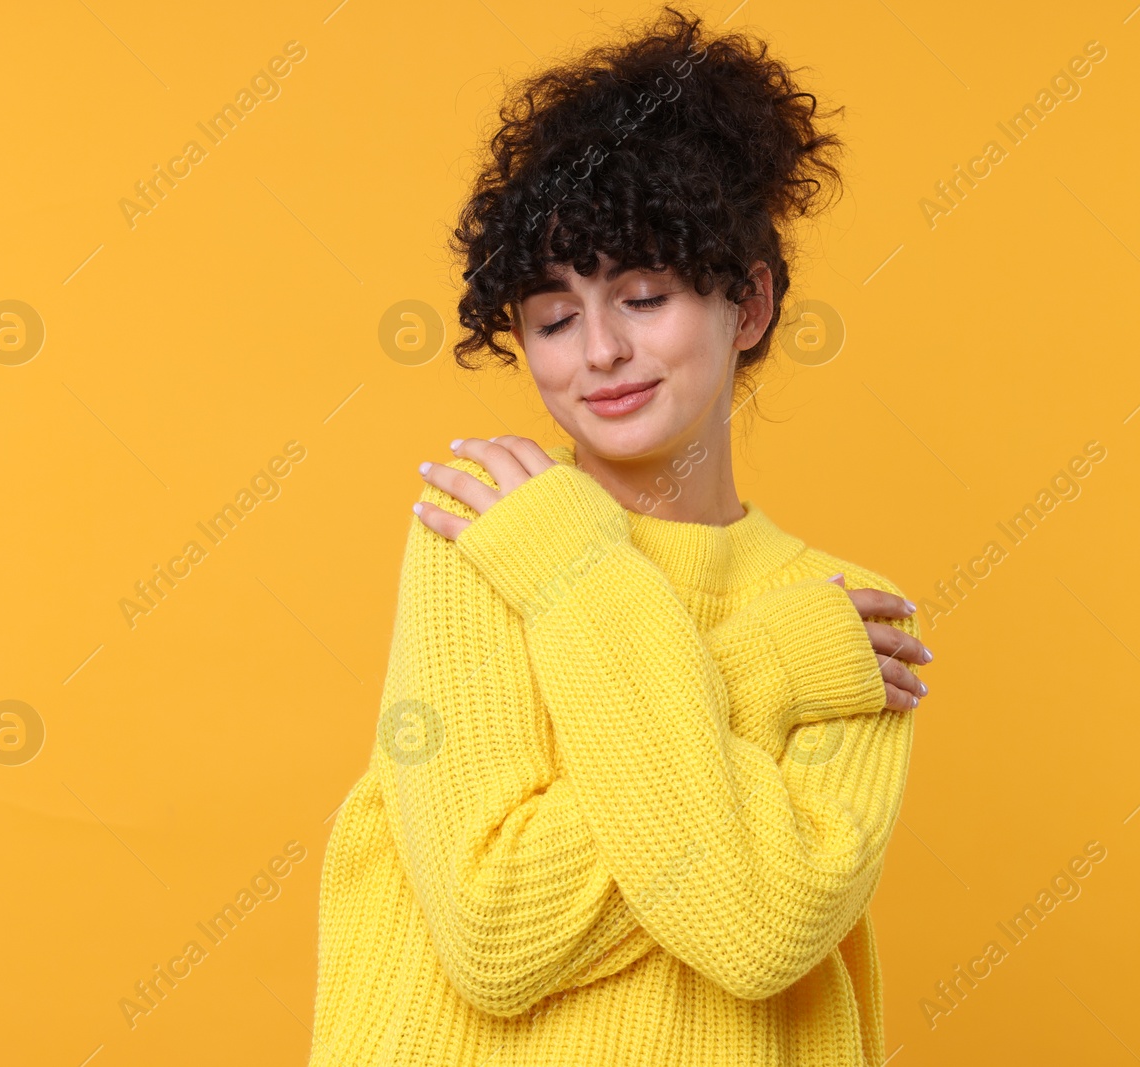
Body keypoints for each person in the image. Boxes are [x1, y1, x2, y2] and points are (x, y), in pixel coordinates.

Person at [308, 7, 931, 1064]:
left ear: (748, 305)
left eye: (642, 296)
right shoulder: (490, 529)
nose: (599, 350)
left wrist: (580, 585)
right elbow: (495, 924)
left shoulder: (857, 612)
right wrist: (770, 663)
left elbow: (760, 928)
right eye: (552, 317)